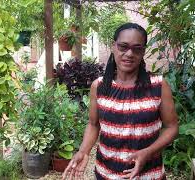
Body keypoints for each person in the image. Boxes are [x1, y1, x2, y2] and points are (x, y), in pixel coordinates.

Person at [62, 22, 178, 180]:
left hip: (149, 174)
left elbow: (171, 127)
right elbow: (93, 124)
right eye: (123, 46)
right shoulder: (100, 86)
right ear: (113, 46)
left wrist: (148, 152)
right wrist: (83, 151)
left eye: (137, 49)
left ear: (143, 51)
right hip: (107, 173)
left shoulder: (158, 85)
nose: (129, 53)